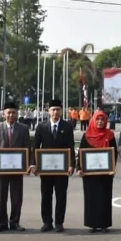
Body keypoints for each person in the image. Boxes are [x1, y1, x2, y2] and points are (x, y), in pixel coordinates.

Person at [32, 99, 75, 232]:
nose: (55, 112)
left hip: (62, 168)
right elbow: (35, 147)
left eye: (58, 109)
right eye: (53, 110)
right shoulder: (41, 126)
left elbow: (71, 147)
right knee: (46, 195)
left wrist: (71, 164)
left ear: (61, 111)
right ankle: (47, 222)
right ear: (48, 111)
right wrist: (33, 164)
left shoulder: (67, 127)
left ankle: (59, 222)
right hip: (45, 168)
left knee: (61, 195)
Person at [0, 102, 31, 232]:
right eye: (9, 112)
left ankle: (14, 222)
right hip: (0, 168)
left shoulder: (23, 128)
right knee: (1, 196)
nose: (11, 115)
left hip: (17, 168)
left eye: (14, 112)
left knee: (16, 196)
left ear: (17, 114)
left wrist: (28, 164)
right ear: (3, 114)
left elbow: (27, 148)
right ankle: (1, 222)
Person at [78, 110, 117, 232]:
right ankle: (92, 224)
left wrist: (113, 167)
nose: (100, 122)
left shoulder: (110, 135)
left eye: (102, 120)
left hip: (105, 174)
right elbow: (80, 153)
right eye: (98, 119)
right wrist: (79, 168)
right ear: (93, 120)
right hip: (89, 174)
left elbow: (114, 153)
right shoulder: (87, 135)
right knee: (91, 198)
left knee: (104, 198)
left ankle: (104, 224)